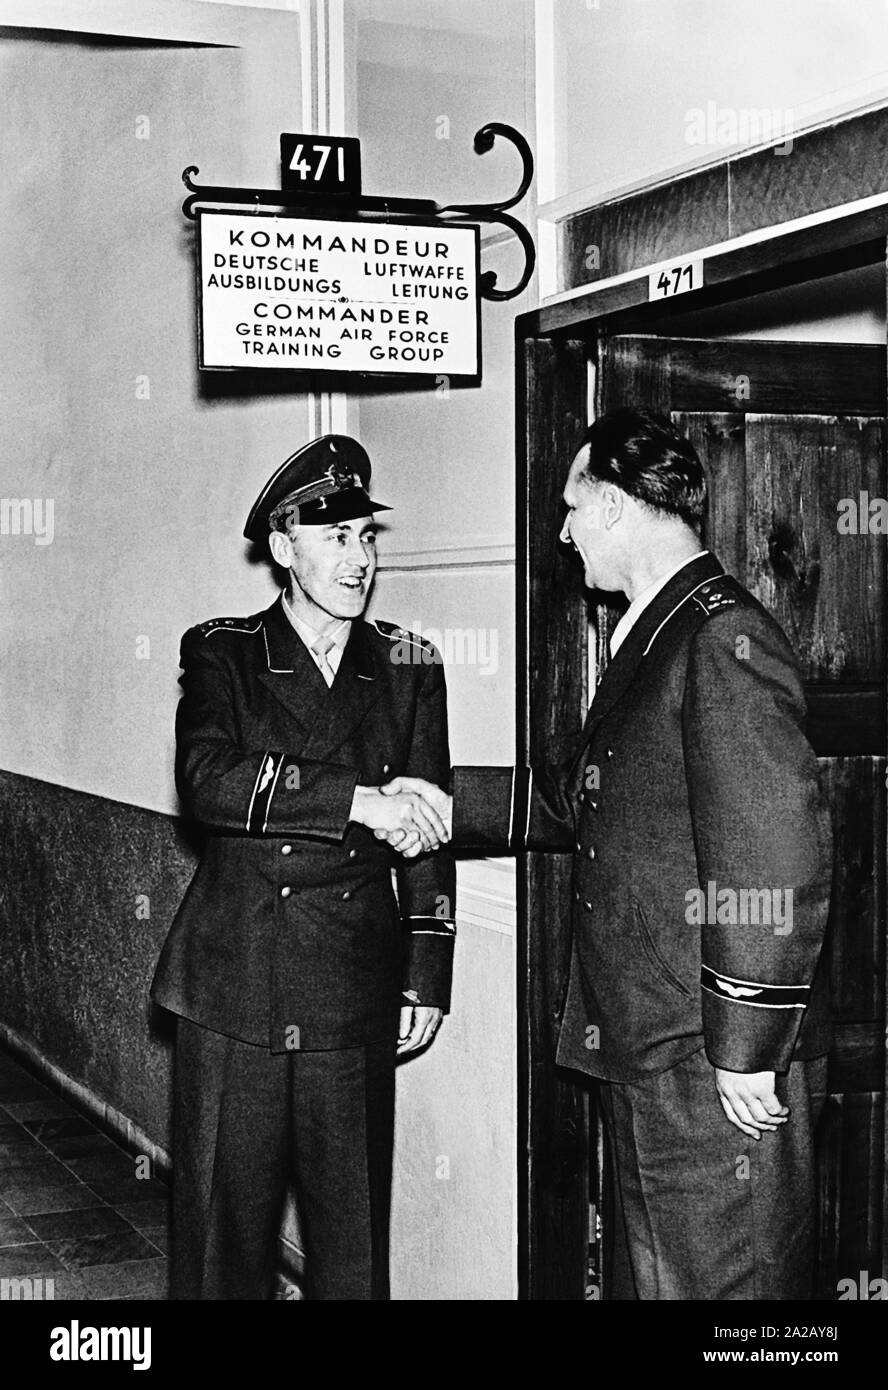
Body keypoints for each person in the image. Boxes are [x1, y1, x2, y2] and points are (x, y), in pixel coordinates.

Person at [379, 408, 832, 1301]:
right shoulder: (659, 634)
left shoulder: (718, 640)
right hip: (655, 1047)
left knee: (731, 1302)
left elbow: (777, 855)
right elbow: (576, 795)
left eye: (571, 508)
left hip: (707, 1062)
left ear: (619, 504)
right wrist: (423, 797)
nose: (562, 532)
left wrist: (745, 1044)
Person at [152, 434, 455, 1301]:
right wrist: (361, 799)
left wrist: (426, 971)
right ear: (284, 550)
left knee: (353, 1251)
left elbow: (428, 826)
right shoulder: (226, 653)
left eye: (367, 538)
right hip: (235, 988)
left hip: (352, 988)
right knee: (222, 1253)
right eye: (335, 538)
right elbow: (209, 781)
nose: (358, 560)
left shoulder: (407, 663)